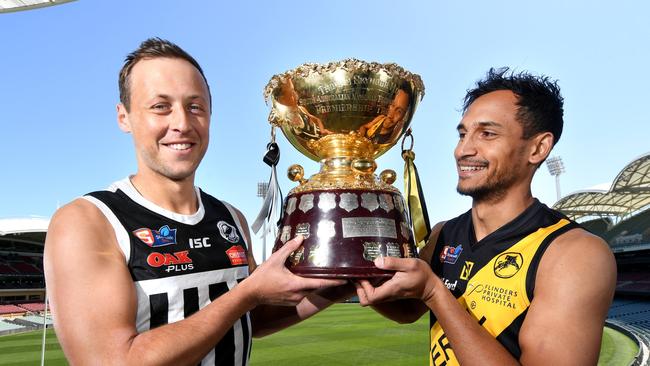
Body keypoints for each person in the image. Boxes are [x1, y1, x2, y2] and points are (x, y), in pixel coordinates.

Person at [43, 37, 348, 365]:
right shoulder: (89, 221)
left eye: (195, 107)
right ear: (124, 117)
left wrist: (346, 280)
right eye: (161, 106)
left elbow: (252, 319)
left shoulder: (231, 218)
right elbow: (110, 361)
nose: (182, 124)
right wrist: (245, 294)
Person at [354, 68, 617, 365]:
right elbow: (407, 309)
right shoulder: (445, 233)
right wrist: (348, 264)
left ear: (538, 148)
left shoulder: (574, 254)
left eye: (487, 134)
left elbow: (427, 293)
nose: (463, 150)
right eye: (463, 134)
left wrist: (434, 292)